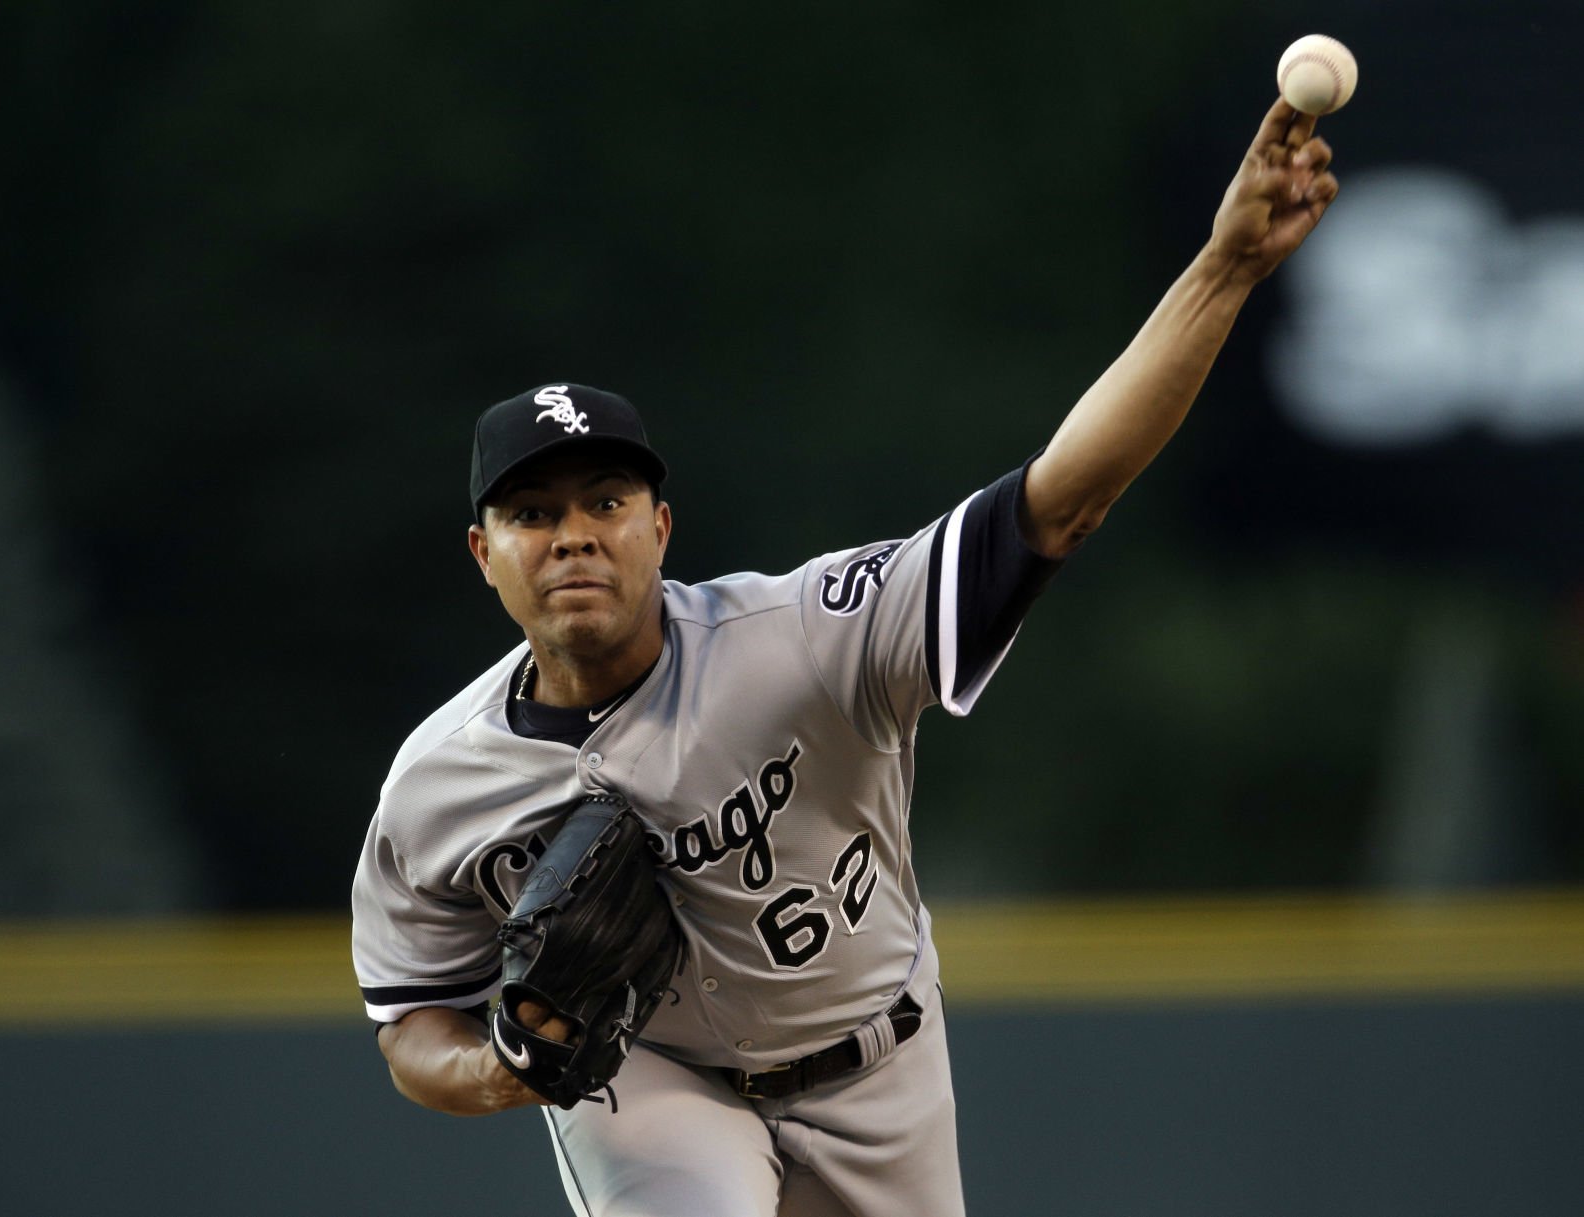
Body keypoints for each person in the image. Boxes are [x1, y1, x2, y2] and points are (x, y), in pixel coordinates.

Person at [351, 98, 1339, 1216]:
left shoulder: (806, 636)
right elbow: (409, 1023)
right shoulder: (438, 784)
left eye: (607, 499)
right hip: (650, 1081)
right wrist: (501, 1066)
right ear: (485, 553)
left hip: (880, 1061)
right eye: (532, 513)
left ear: (660, 527)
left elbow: (1062, 500)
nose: (574, 532)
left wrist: (1223, 268)